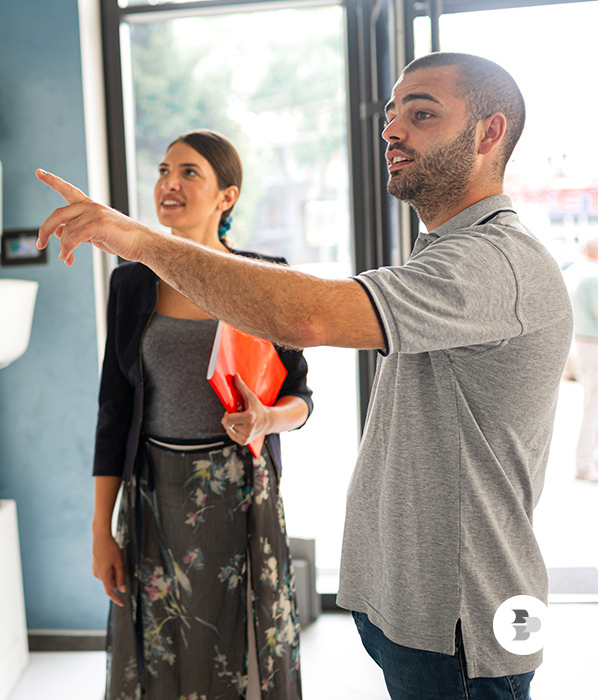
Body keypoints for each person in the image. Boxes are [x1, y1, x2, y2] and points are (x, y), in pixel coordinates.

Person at [36, 52, 573, 699]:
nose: (393, 130)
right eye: (390, 116)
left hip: (461, 621)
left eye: (422, 113)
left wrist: (141, 241)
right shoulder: (446, 254)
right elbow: (115, 407)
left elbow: (309, 318)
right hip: (415, 609)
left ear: (490, 133)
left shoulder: (494, 263)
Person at [93, 129, 312, 700]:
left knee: (242, 639)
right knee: (162, 642)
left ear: (226, 196)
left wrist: (266, 418)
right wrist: (101, 527)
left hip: (239, 491)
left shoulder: (264, 276)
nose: (169, 183)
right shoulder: (132, 281)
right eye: (165, 170)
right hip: (152, 493)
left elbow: (302, 399)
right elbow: (113, 410)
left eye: (190, 173)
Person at [565, 237, 598, 482]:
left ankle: (587, 462)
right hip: (593, 344)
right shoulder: (593, 275)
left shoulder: (576, 270)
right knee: (593, 406)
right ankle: (585, 465)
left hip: (581, 342)